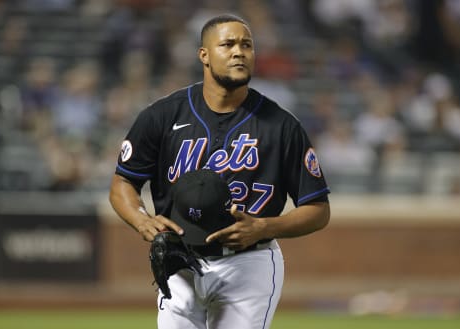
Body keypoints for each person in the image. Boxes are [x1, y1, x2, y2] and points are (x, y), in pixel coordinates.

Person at [109, 14, 331, 329]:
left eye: (247, 45)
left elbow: (318, 210)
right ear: (204, 55)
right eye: (227, 44)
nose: (239, 52)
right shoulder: (162, 115)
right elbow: (122, 183)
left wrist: (264, 226)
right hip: (179, 259)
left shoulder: (282, 126)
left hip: (248, 262)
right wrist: (141, 219)